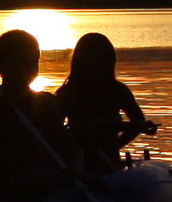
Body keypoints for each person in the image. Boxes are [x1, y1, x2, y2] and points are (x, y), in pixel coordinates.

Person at [0, 29, 84, 195]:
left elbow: (71, 149)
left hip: (38, 175)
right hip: (2, 178)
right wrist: (0, 119)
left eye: (34, 60)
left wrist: (74, 167)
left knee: (32, 178)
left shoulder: (45, 102)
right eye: (20, 60)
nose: (28, 66)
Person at [55, 32, 158, 173]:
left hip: (111, 161)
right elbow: (55, 131)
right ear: (82, 61)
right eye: (95, 57)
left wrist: (116, 145)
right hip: (80, 164)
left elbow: (138, 121)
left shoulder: (118, 90)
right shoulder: (67, 93)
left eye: (107, 57)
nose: (102, 63)